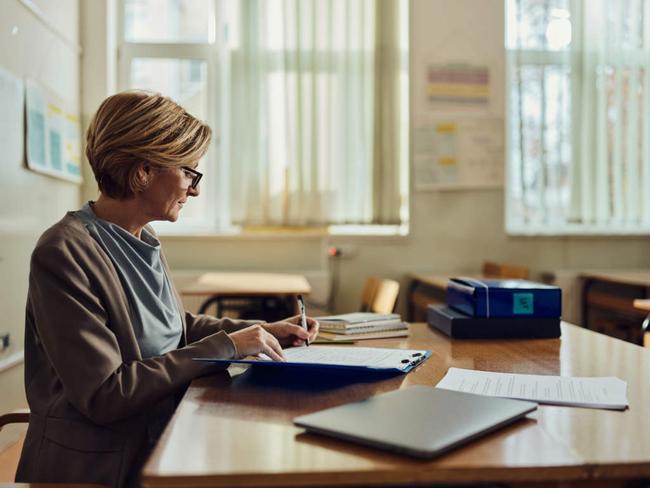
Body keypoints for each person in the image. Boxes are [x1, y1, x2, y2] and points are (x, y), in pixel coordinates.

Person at [15, 91, 319, 488]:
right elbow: (107, 394)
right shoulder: (63, 252)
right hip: (99, 468)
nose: (194, 190)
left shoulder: (142, 236)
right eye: (189, 173)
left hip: (164, 438)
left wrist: (264, 329)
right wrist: (227, 347)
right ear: (143, 172)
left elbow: (174, 328)